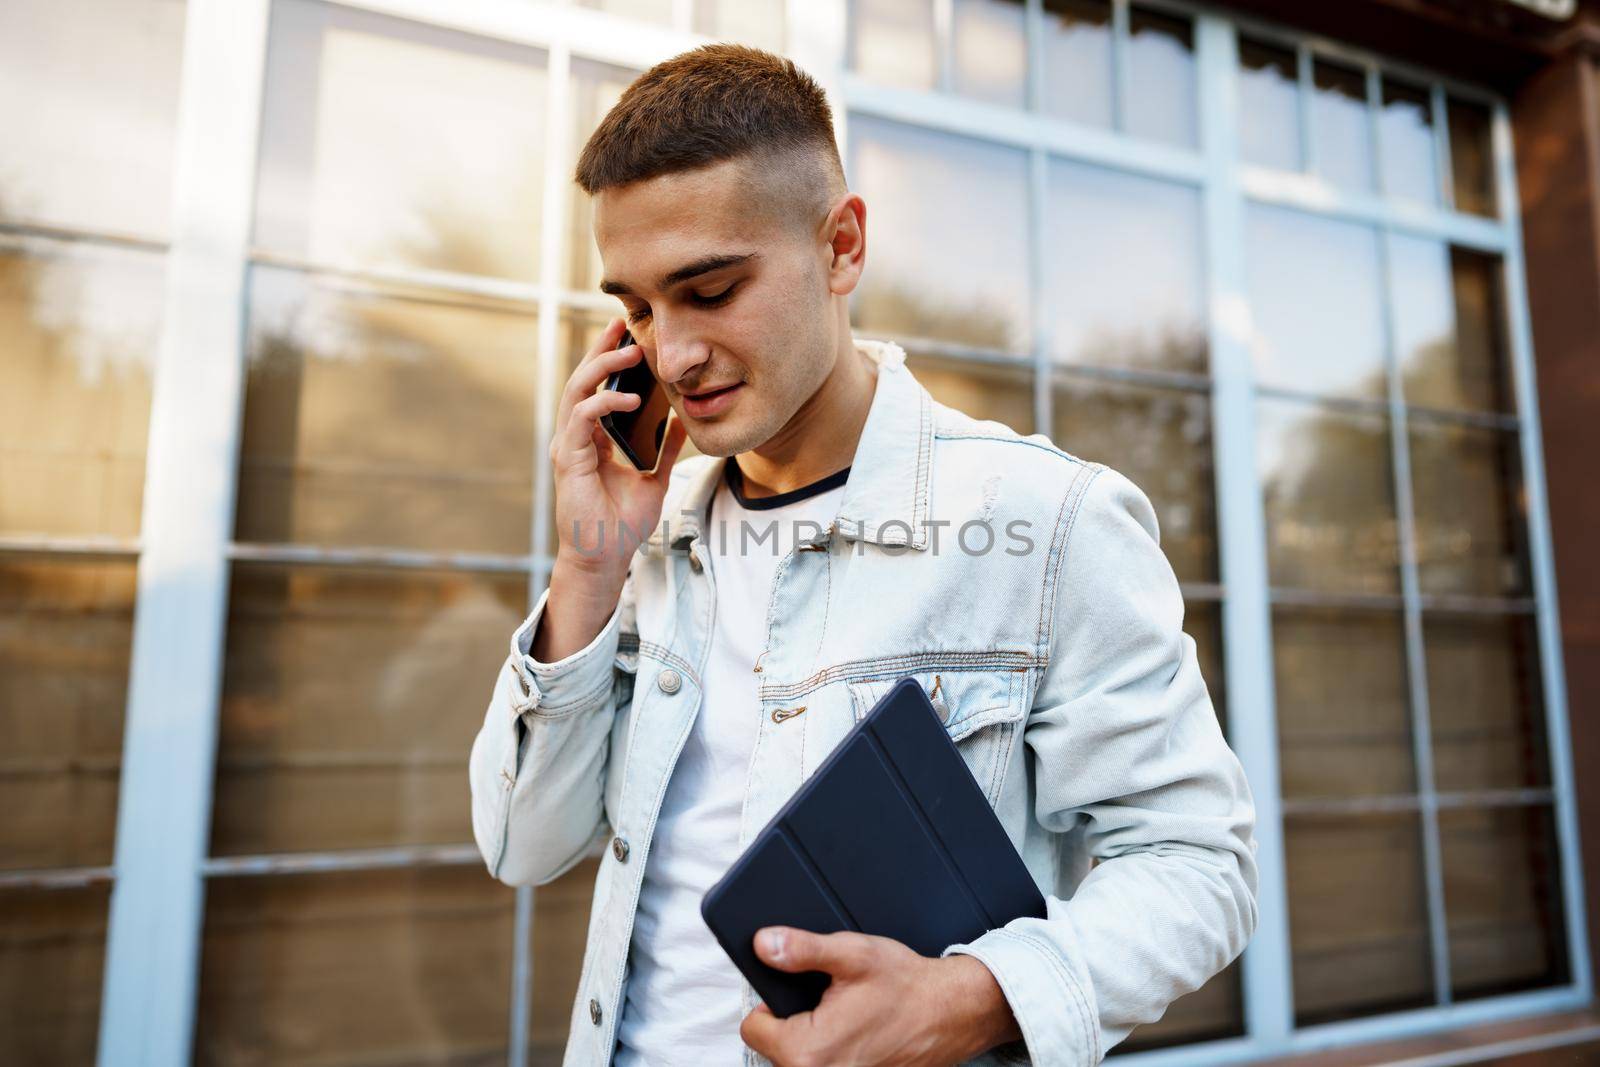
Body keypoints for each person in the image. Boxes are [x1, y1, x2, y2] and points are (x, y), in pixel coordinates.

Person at [468, 42, 1257, 1067]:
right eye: (636, 307)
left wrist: (972, 996)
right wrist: (588, 566)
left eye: (709, 290)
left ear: (840, 247)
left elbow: (1199, 865)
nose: (670, 353)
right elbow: (524, 845)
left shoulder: (1048, 520)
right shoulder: (646, 537)